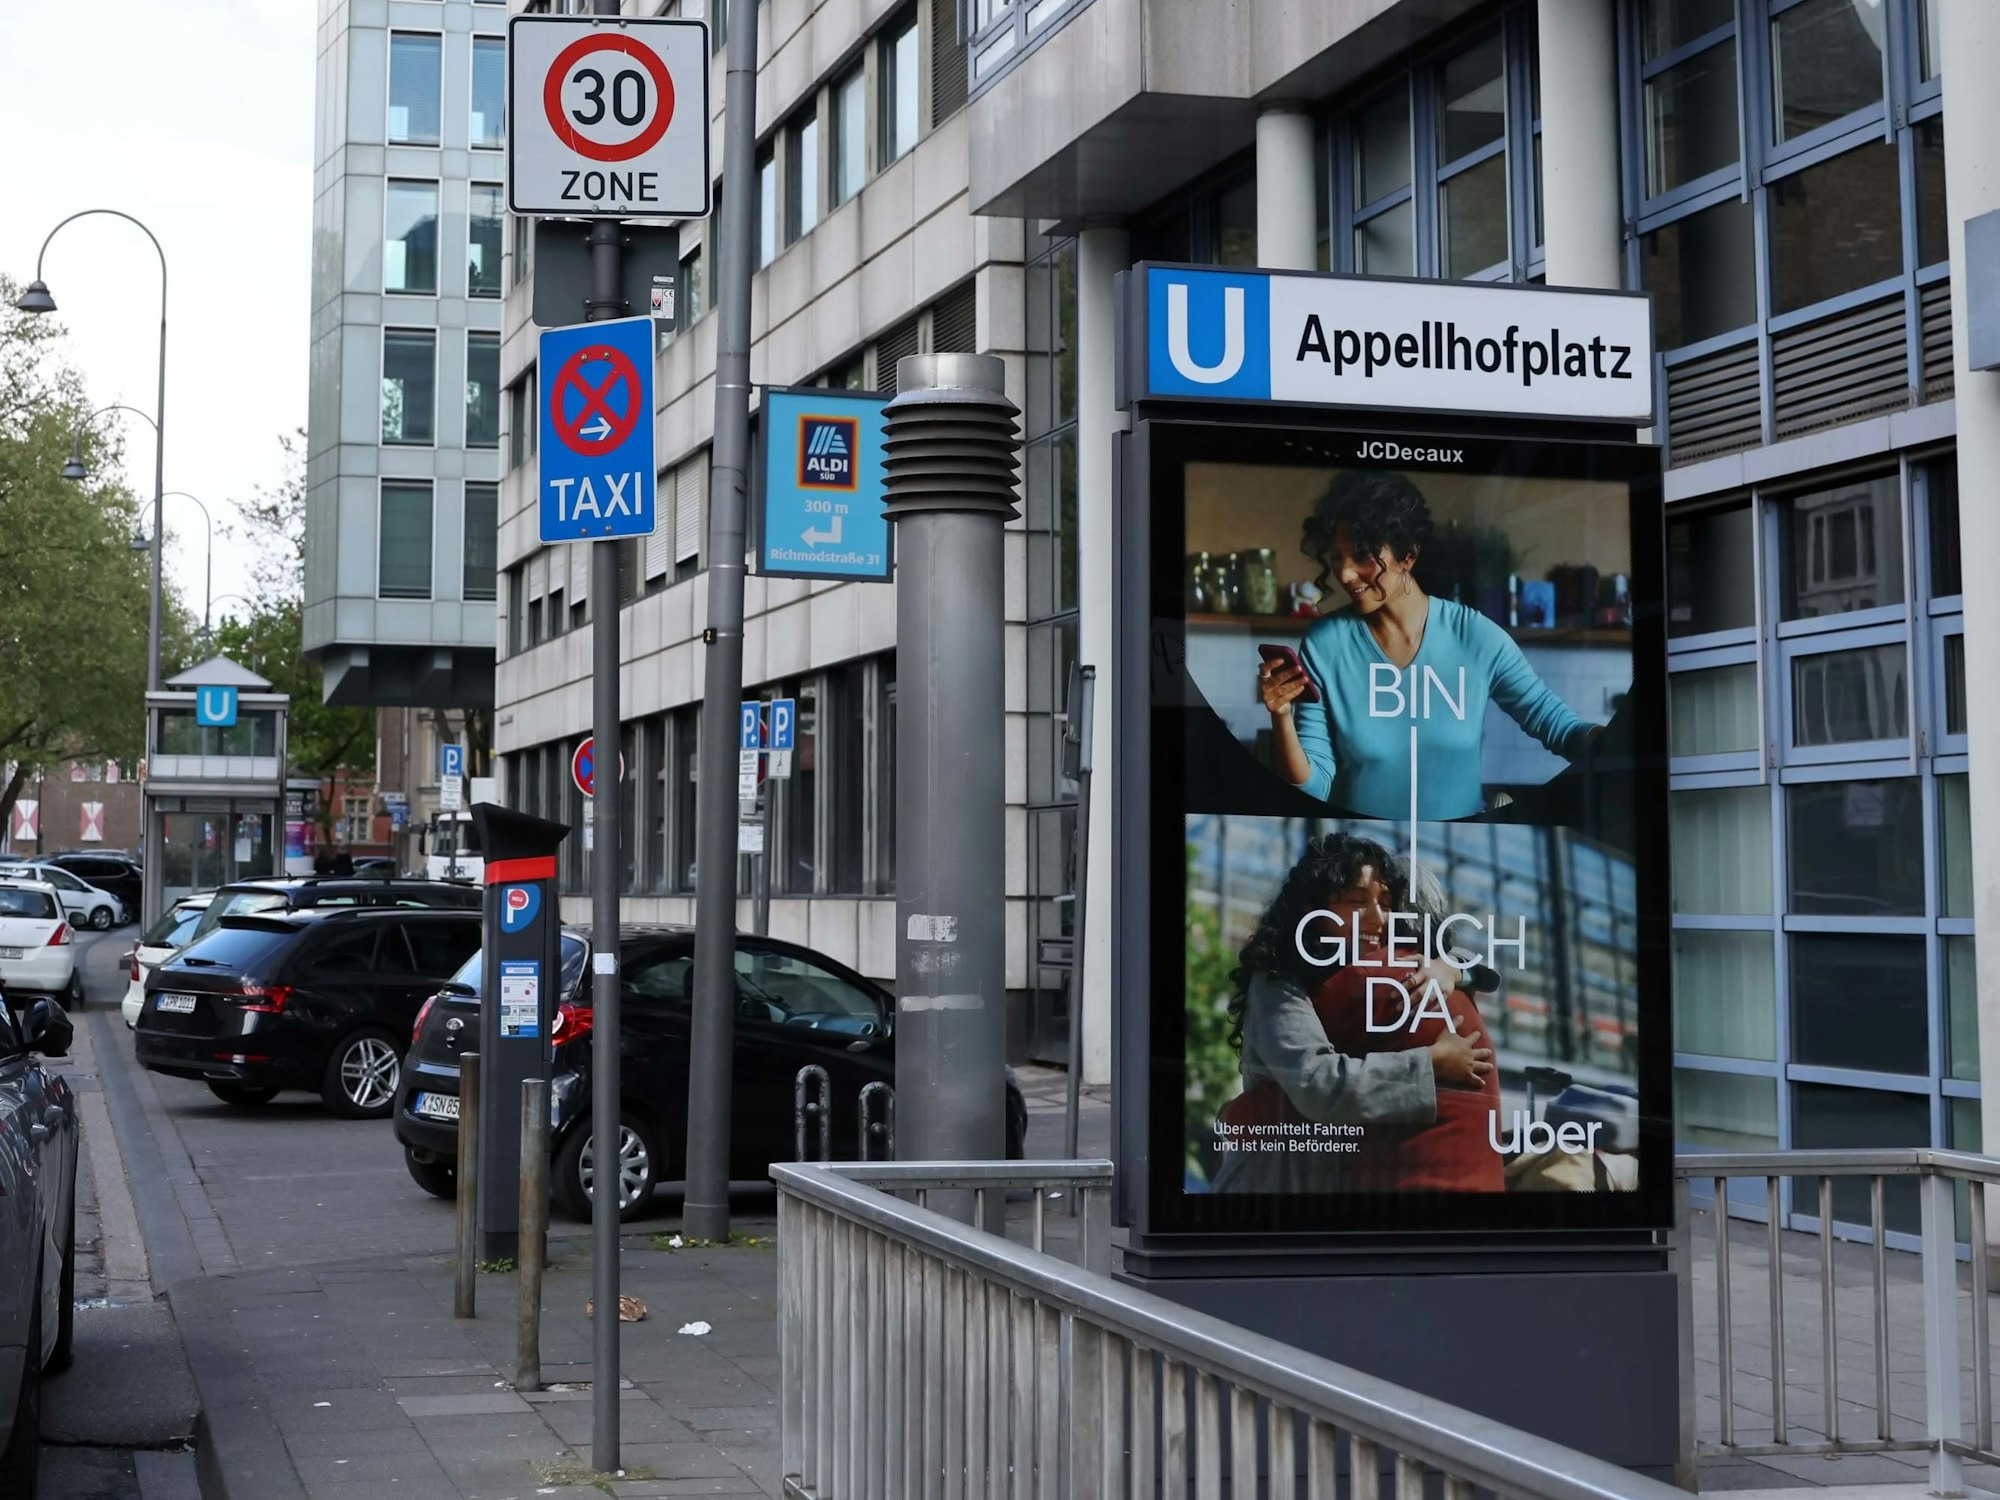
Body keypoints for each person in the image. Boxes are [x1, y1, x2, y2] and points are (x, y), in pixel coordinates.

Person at [1258, 470, 1598, 821]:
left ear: (1408, 556)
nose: (1344, 574)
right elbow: (1315, 787)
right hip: (1361, 845)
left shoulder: (1476, 636)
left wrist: (1621, 738)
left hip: (1461, 841)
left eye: (1361, 555)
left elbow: (1561, 729)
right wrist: (1280, 716)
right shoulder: (1325, 644)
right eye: (1335, 557)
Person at [1210, 832, 1491, 1195]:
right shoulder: (1278, 981)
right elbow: (1319, 1083)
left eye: (1386, 904)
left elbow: (1473, 964)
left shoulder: (1366, 976)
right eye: (1358, 901)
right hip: (1273, 1186)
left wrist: (1452, 967)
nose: (1378, 919)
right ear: (1314, 911)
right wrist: (1430, 1064)